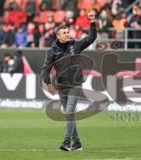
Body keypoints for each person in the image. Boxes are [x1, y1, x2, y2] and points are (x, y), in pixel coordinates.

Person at [41, 10, 97, 151]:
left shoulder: (76, 45)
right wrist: (48, 84)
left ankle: (66, 143)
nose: (68, 34)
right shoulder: (52, 51)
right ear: (58, 36)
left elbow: (91, 38)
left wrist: (92, 22)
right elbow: (45, 70)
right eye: (64, 33)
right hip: (61, 85)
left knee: (69, 112)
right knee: (69, 115)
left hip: (75, 84)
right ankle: (77, 144)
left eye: (68, 32)